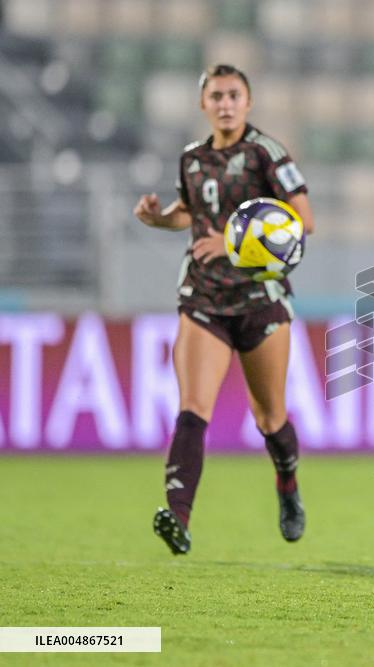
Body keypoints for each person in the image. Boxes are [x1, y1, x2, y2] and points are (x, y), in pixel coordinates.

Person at [133, 64, 315, 555]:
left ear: (248, 102)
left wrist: (239, 242)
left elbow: (303, 219)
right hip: (204, 298)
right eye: (216, 96)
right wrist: (159, 218)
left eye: (234, 95)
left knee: (270, 417)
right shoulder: (191, 159)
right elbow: (192, 214)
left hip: (260, 299)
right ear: (204, 104)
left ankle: (287, 485)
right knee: (193, 409)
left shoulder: (266, 153)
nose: (225, 103)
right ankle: (178, 516)